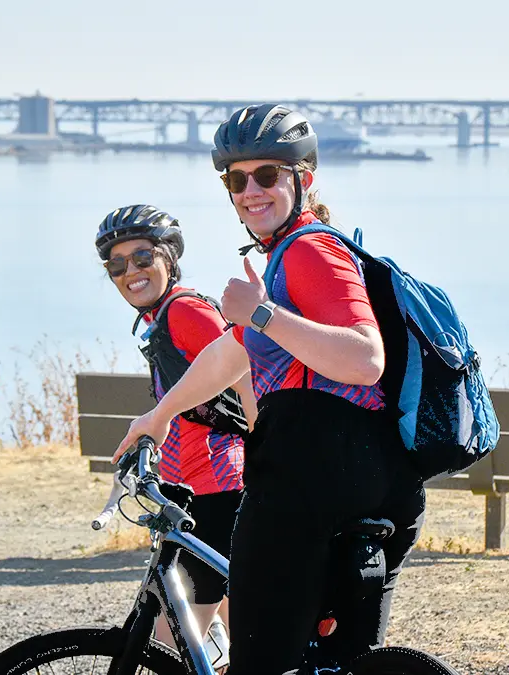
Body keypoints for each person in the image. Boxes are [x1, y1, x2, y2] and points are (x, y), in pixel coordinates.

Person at [115, 105, 426, 675]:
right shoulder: (286, 256)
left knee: (257, 663)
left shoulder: (310, 249)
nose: (250, 190)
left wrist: (261, 314)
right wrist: (160, 415)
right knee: (332, 662)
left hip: (313, 477)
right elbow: (229, 355)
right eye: (237, 180)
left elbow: (365, 358)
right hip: (364, 475)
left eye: (267, 176)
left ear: (303, 178)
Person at [95, 204, 255, 659]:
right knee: (231, 635)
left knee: (167, 645)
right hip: (194, 485)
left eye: (143, 257)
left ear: (169, 258)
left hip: (216, 487)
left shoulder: (184, 311)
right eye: (117, 264)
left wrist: (265, 448)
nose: (131, 271)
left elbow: (244, 368)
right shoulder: (161, 318)